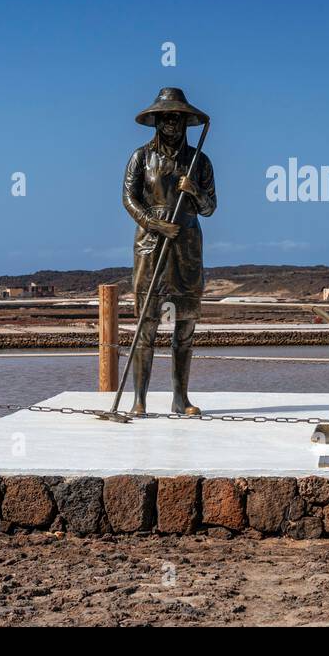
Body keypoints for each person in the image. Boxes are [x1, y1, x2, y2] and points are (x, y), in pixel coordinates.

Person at [122, 87, 217, 415]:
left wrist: (194, 192)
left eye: (177, 118)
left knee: (185, 326)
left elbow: (210, 208)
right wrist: (154, 223)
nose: (172, 124)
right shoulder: (140, 157)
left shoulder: (199, 162)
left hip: (187, 248)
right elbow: (129, 199)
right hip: (151, 247)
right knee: (147, 325)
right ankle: (139, 400)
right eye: (166, 118)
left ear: (186, 122)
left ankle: (180, 399)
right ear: (157, 122)